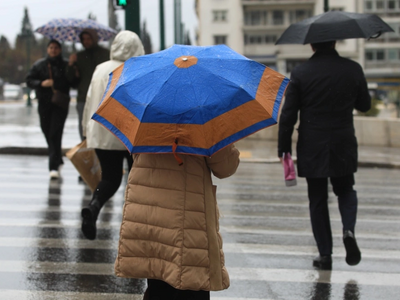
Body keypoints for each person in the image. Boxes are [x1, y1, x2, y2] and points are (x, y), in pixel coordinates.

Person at [278, 41, 371, 270]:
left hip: (313, 145)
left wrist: (284, 147)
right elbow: (365, 105)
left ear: (312, 45)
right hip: (343, 141)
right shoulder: (352, 68)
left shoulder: (301, 73)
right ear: (335, 42)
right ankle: (348, 229)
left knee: (318, 199)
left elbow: (289, 114)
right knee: (346, 189)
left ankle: (325, 255)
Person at [114, 146, 240, 300]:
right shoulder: (200, 126)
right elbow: (226, 167)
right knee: (191, 282)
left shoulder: (149, 126)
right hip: (188, 217)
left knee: (158, 282)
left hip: (150, 211)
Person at [80, 31, 145, 240]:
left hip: (102, 132)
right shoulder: (137, 69)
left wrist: (85, 130)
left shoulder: (100, 69)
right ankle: (136, 223)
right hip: (129, 135)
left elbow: (90, 101)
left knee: (110, 178)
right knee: (137, 181)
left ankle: (94, 206)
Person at [26, 39, 71, 179]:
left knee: (54, 133)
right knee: (46, 130)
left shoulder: (66, 65)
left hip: (60, 104)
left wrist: (56, 82)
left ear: (60, 49)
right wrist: (41, 83)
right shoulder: (39, 65)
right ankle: (58, 159)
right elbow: (29, 80)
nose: (53, 50)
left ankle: (53, 166)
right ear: (47, 49)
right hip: (44, 104)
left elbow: (72, 82)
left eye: (56, 47)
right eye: (51, 47)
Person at [67, 28, 109, 141]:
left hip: (103, 97)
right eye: (83, 39)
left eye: (88, 38)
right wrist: (71, 65)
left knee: (102, 128)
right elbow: (72, 81)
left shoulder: (106, 54)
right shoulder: (79, 57)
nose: (86, 41)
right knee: (84, 126)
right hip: (84, 97)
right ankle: (87, 152)